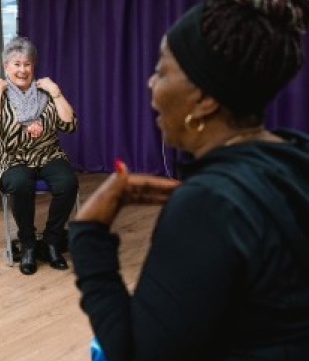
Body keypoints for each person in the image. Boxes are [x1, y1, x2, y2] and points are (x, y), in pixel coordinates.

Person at [69, 0, 309, 360]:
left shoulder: (209, 204)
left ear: (204, 99)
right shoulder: (297, 155)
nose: (151, 85)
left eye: (162, 72)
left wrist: (88, 233)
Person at [0, 36, 79, 275]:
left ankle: (51, 242)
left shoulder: (45, 92)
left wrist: (56, 92)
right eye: (16, 64)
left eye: (27, 64)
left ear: (33, 66)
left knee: (68, 182)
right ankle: (27, 245)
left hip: (46, 153)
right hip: (10, 157)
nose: (22, 70)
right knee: (20, 183)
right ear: (6, 67)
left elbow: (69, 125)